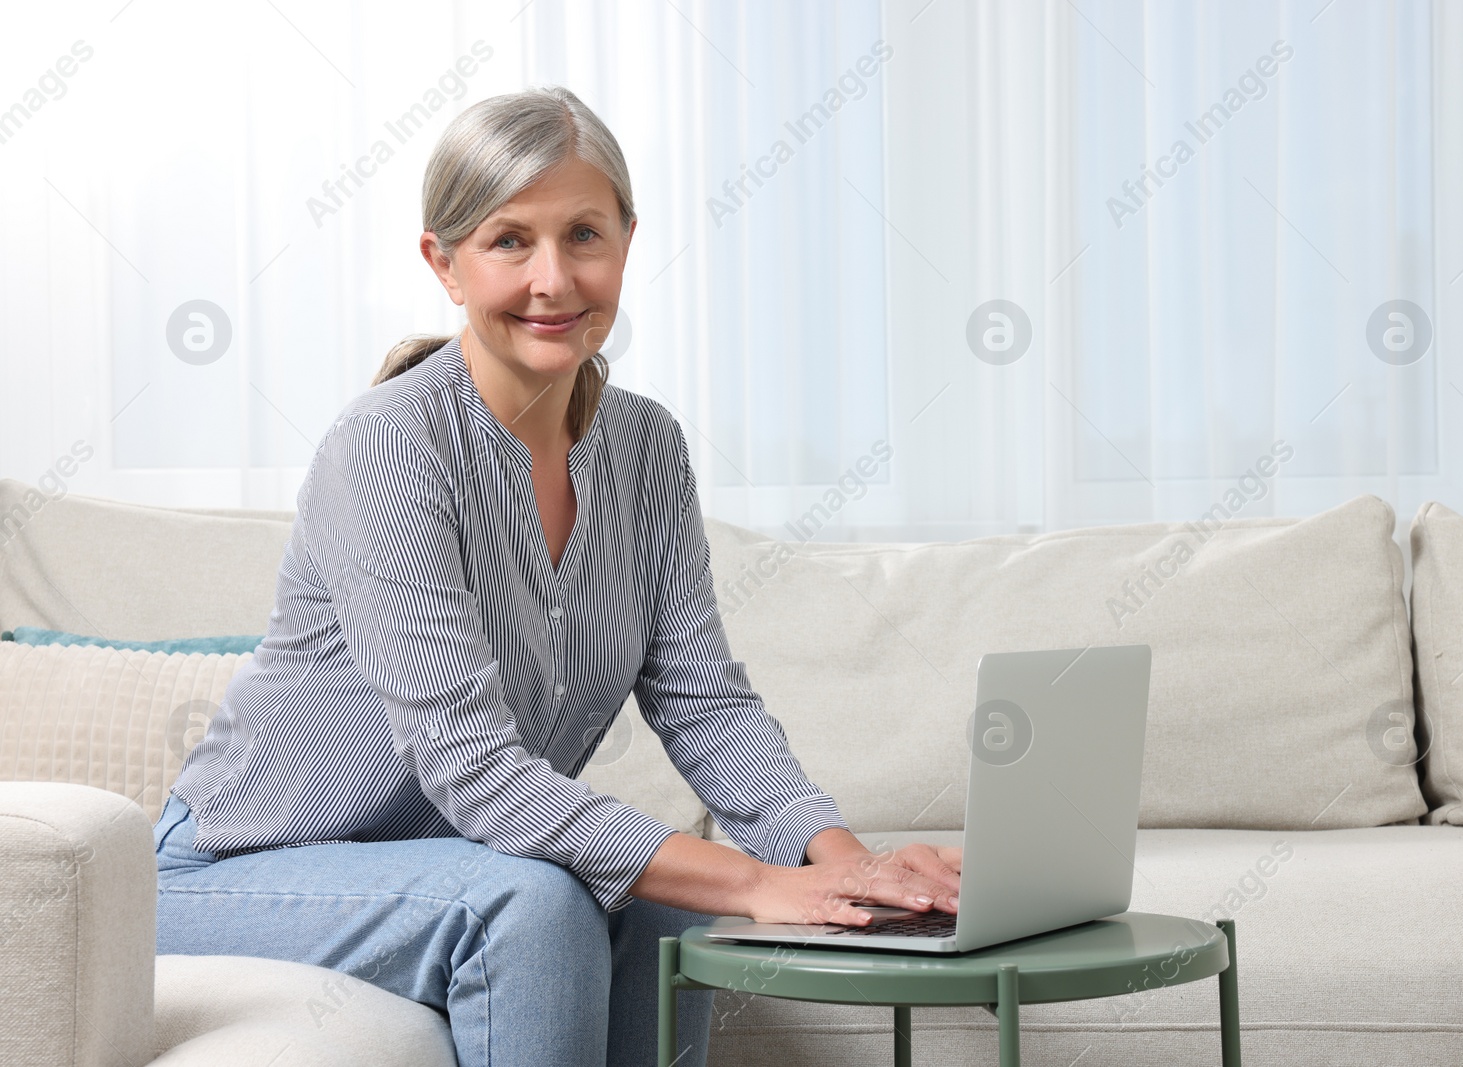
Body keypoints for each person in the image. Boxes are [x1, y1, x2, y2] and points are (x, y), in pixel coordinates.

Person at [152, 85, 962, 1067]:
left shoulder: (646, 447)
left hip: (444, 861)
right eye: (508, 241)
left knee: (668, 909)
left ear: (627, 237)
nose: (553, 278)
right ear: (442, 263)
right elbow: (471, 765)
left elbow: (704, 704)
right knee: (530, 903)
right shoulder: (387, 447)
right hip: (236, 870)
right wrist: (753, 882)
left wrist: (844, 862)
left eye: (583, 233)